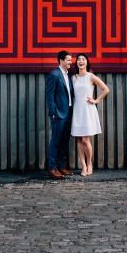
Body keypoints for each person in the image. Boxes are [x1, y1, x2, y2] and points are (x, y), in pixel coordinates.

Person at [71, 53, 109, 176]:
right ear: (76, 63)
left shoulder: (91, 76)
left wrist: (96, 100)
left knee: (85, 140)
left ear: (87, 62)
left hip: (87, 110)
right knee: (78, 139)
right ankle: (83, 166)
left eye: (83, 59)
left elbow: (106, 89)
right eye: (79, 60)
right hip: (77, 110)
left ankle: (89, 164)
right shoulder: (73, 78)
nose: (81, 61)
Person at [46, 50, 75, 179]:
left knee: (64, 141)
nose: (71, 62)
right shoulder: (54, 74)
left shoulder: (68, 75)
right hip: (58, 114)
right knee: (56, 141)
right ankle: (52, 168)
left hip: (68, 113)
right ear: (61, 60)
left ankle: (61, 167)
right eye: (69, 60)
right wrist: (53, 112)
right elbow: (49, 95)